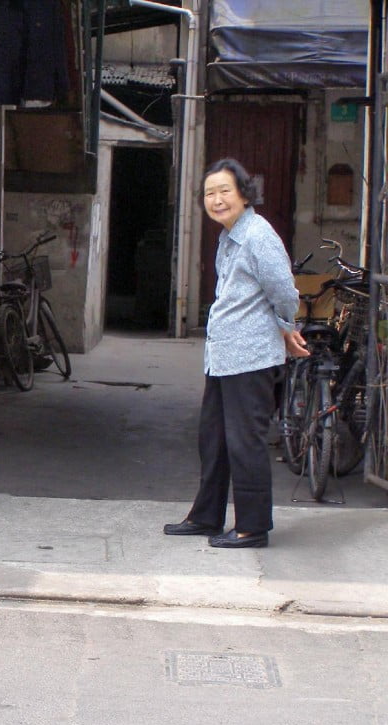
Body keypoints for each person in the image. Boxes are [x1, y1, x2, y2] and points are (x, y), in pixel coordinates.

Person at [163, 158, 309, 548]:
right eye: (210, 193)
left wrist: (287, 326)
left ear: (245, 194)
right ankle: (206, 516)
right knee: (214, 439)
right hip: (224, 357)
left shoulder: (258, 236)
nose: (217, 199)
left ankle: (252, 527)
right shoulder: (229, 237)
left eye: (225, 191)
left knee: (246, 443)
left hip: (252, 357)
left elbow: (283, 290)